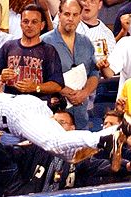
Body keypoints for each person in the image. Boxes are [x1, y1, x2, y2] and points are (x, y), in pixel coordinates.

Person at [0, 70, 131, 165]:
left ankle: (108, 134)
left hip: (14, 113)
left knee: (53, 142)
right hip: (26, 105)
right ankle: (105, 142)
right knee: (67, 155)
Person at [0, 110, 131, 194]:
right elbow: (9, 154)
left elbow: (103, 166)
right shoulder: (36, 146)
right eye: (54, 122)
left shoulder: (80, 154)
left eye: (62, 123)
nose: (56, 126)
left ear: (73, 128)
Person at [42, 0, 100, 129]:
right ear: (59, 14)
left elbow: (94, 73)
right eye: (67, 14)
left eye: (75, 15)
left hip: (81, 116)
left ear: (80, 16)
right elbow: (41, 77)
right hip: (54, 117)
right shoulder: (45, 42)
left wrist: (84, 93)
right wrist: (66, 92)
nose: (71, 19)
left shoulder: (86, 42)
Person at [0, 4, 64, 99]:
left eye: (34, 22)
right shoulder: (8, 46)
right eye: (26, 21)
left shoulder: (49, 51)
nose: (29, 25)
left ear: (42, 25)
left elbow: (57, 85)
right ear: (20, 24)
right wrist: (1, 77)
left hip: (38, 105)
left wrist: (35, 87)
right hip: (10, 104)